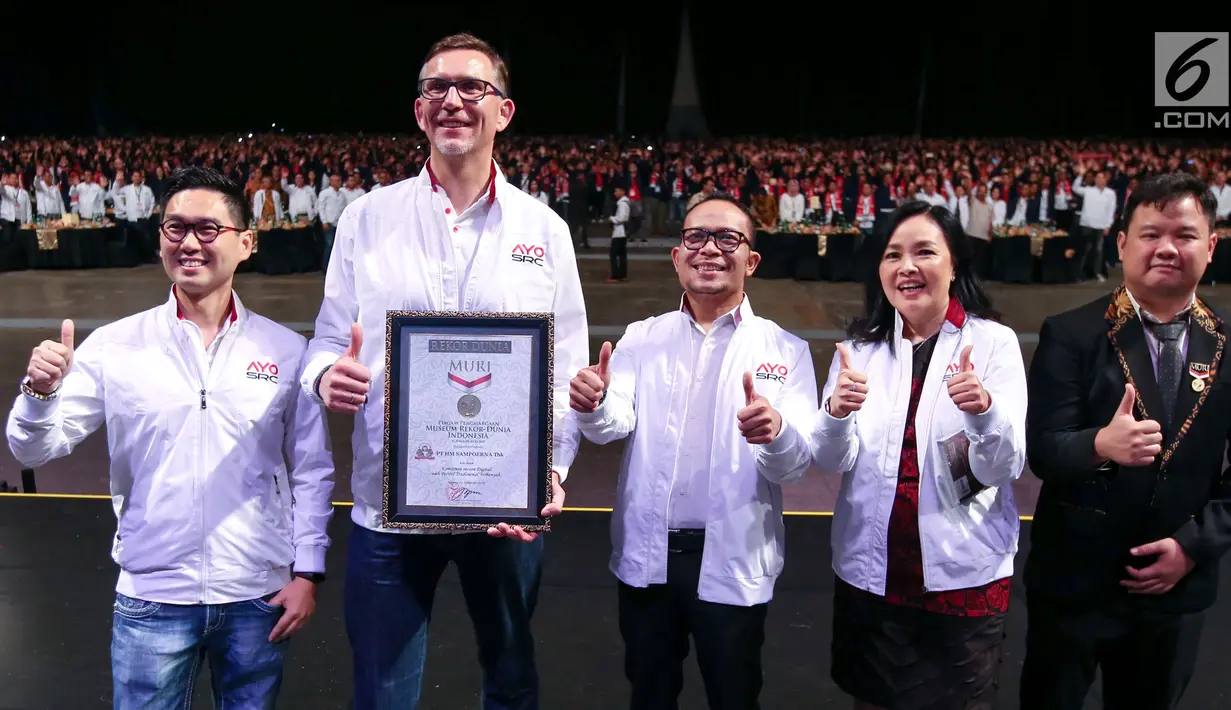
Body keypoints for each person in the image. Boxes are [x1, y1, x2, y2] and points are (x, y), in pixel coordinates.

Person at [298, 33, 588, 710]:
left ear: (504, 111)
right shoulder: (367, 219)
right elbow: (326, 341)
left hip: (503, 509)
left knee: (510, 683)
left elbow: (565, 360)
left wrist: (553, 469)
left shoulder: (543, 230)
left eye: (472, 87)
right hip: (389, 508)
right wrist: (323, 377)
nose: (453, 100)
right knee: (381, 691)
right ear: (418, 110)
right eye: (436, 88)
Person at [5, 166, 335, 709]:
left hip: (256, 595)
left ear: (246, 243)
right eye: (174, 227)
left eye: (208, 229)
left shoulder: (286, 352)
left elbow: (311, 469)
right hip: (153, 598)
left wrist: (308, 572)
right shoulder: (115, 346)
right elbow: (32, 448)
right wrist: (39, 394)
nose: (188, 242)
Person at [570, 194, 817, 710]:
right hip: (650, 557)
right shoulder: (643, 337)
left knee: (734, 695)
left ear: (750, 260)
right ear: (677, 256)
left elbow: (794, 465)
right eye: (696, 237)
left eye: (727, 238)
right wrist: (593, 404)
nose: (710, 249)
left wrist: (775, 432)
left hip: (732, 556)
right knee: (650, 693)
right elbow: (613, 425)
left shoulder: (784, 349)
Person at [1020, 172, 1229, 710]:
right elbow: (1043, 449)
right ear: (1121, 243)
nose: (1166, 248)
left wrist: (1192, 546)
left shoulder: (1227, 344)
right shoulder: (1072, 333)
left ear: (1210, 245)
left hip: (1174, 588)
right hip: (1075, 583)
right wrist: (1098, 446)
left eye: (1183, 235)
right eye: (1149, 233)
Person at [811, 200, 1027, 710]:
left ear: (954, 264)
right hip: (873, 573)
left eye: (924, 252)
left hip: (961, 576)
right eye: (892, 255)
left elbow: (1003, 467)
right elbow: (830, 460)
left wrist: (984, 413)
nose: (906, 267)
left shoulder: (992, 343)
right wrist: (836, 415)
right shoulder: (858, 349)